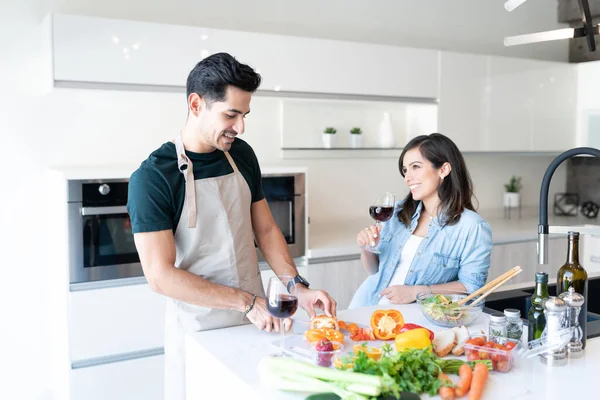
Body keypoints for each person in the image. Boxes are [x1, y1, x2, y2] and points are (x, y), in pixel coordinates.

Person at [126, 52, 337, 400]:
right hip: (200, 330)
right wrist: (246, 303)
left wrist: (294, 285)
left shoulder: (242, 155)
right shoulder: (152, 177)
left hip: (259, 321)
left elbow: (266, 230)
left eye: (244, 115)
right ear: (196, 105)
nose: (240, 127)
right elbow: (159, 276)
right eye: (231, 114)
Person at [349, 133, 493, 308]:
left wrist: (417, 292)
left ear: (443, 169)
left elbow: (471, 287)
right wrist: (367, 249)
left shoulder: (472, 227)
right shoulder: (397, 213)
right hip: (367, 306)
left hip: (415, 320)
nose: (407, 177)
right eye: (405, 170)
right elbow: (373, 270)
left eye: (415, 167)